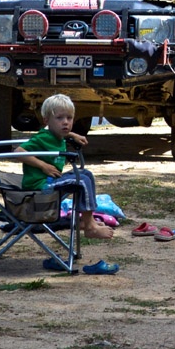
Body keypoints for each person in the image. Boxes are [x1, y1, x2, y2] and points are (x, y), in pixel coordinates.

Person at [17, 94, 114, 240]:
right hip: (40, 187)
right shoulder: (42, 138)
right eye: (59, 118)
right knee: (81, 180)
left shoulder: (57, 135)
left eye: (69, 118)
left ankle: (88, 220)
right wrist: (43, 166)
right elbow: (18, 152)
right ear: (46, 120)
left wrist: (72, 135)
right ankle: (90, 227)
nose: (65, 122)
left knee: (85, 174)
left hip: (51, 181)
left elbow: (61, 133)